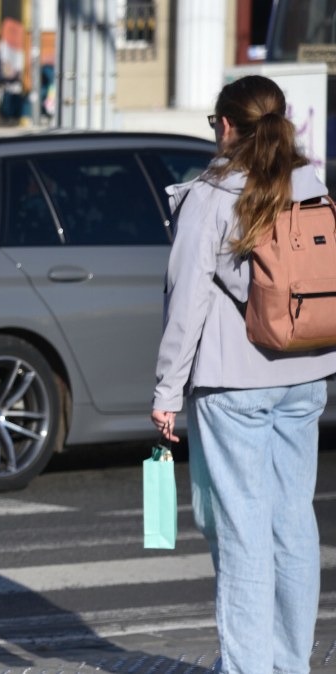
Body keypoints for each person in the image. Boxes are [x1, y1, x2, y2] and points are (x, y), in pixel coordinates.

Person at [151, 74, 336, 674]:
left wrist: (167, 391)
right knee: (293, 521)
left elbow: (187, 303)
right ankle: (289, 665)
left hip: (236, 383)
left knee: (242, 531)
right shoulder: (310, 182)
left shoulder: (211, 195)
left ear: (226, 126)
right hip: (307, 371)